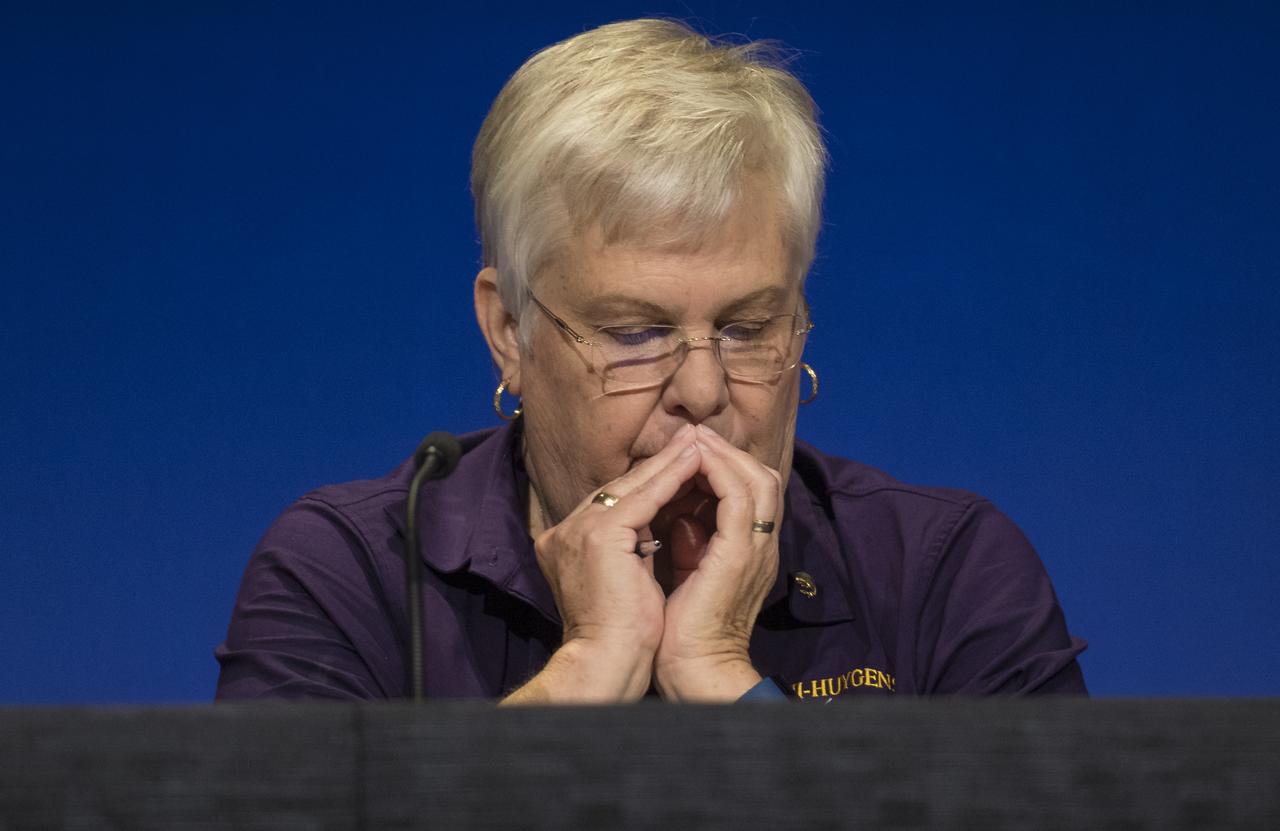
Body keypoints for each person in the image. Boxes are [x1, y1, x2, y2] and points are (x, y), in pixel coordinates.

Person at [215, 18, 1086, 702]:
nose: (703, 393)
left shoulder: (944, 571)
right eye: (635, 334)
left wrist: (722, 678)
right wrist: (584, 671)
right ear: (509, 332)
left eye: (749, 328)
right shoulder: (351, 576)